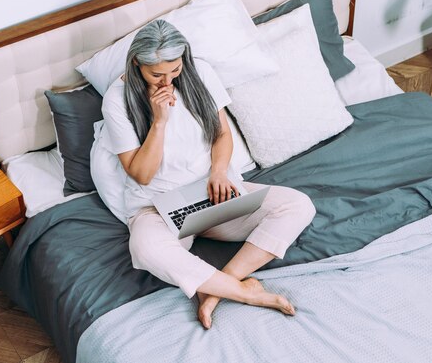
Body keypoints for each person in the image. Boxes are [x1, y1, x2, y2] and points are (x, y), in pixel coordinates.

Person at [101, 19, 316, 329]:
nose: (167, 82)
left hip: (211, 195)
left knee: (298, 205)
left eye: (174, 71)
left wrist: (218, 172)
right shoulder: (116, 99)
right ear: (137, 63)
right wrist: (159, 121)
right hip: (157, 207)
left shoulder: (199, 72)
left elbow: (221, 135)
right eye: (156, 74)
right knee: (145, 248)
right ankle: (246, 292)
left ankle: (216, 289)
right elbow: (142, 174)